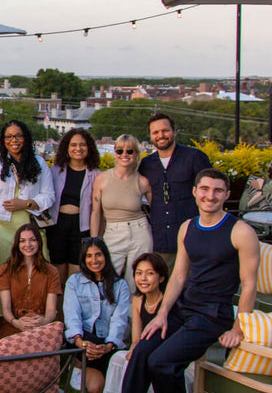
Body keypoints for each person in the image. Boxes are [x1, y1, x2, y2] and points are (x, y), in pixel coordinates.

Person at [96, 168, 259, 393]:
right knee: (142, 350)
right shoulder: (188, 227)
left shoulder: (240, 232)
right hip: (183, 309)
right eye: (205, 189)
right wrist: (161, 314)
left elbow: (248, 286)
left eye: (218, 191)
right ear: (195, 192)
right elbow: (179, 278)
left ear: (227, 195)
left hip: (212, 315)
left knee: (161, 361)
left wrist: (238, 327)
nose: (211, 196)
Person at [0, 120, 55, 318]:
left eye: (18, 135)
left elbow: (49, 196)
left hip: (29, 226)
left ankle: (32, 320)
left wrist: (26, 203)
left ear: (26, 138)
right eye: (9, 136)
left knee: (34, 274)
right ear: (3, 141)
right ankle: (0, 322)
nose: (14, 140)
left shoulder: (39, 163)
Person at [138, 113, 211, 268]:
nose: (161, 136)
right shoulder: (146, 164)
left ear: (174, 132)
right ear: (150, 136)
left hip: (193, 237)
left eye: (165, 130)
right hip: (161, 240)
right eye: (155, 132)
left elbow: (211, 192)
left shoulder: (195, 157)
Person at [63, 238, 130, 393]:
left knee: (116, 387)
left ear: (105, 256)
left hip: (108, 344)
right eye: (89, 256)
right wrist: (80, 342)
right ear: (84, 259)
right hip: (84, 341)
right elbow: (72, 316)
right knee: (96, 388)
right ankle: (77, 366)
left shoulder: (120, 285)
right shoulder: (74, 282)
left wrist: (109, 345)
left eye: (98, 255)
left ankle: (101, 368)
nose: (94, 260)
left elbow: (119, 320)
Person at [91, 134, 153, 293]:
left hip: (139, 231)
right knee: (107, 278)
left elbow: (156, 210)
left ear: (136, 153)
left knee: (137, 281)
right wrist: (93, 241)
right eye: (120, 151)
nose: (124, 154)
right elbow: (96, 212)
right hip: (112, 231)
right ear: (115, 152)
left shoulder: (143, 181)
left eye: (129, 151)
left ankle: (133, 317)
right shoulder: (102, 179)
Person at [46, 128, 99, 289]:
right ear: (67, 148)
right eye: (73, 145)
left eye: (83, 145)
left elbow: (98, 209)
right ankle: (58, 313)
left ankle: (73, 313)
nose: (78, 148)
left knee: (76, 277)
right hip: (57, 227)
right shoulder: (55, 170)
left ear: (89, 148)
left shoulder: (96, 174)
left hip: (81, 228)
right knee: (57, 276)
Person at [0, 222, 60, 339]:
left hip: (41, 325)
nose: (28, 244)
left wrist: (43, 321)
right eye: (23, 241)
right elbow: (5, 309)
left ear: (39, 242)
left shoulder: (51, 271)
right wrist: (17, 323)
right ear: (17, 244)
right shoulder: (6, 269)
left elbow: (51, 310)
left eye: (32, 240)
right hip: (14, 324)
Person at [130, 253, 170, 354]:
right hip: (143, 350)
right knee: (117, 358)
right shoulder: (137, 300)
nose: (143, 278)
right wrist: (133, 351)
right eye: (139, 273)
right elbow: (135, 340)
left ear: (161, 278)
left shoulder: (168, 300)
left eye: (150, 273)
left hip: (164, 352)